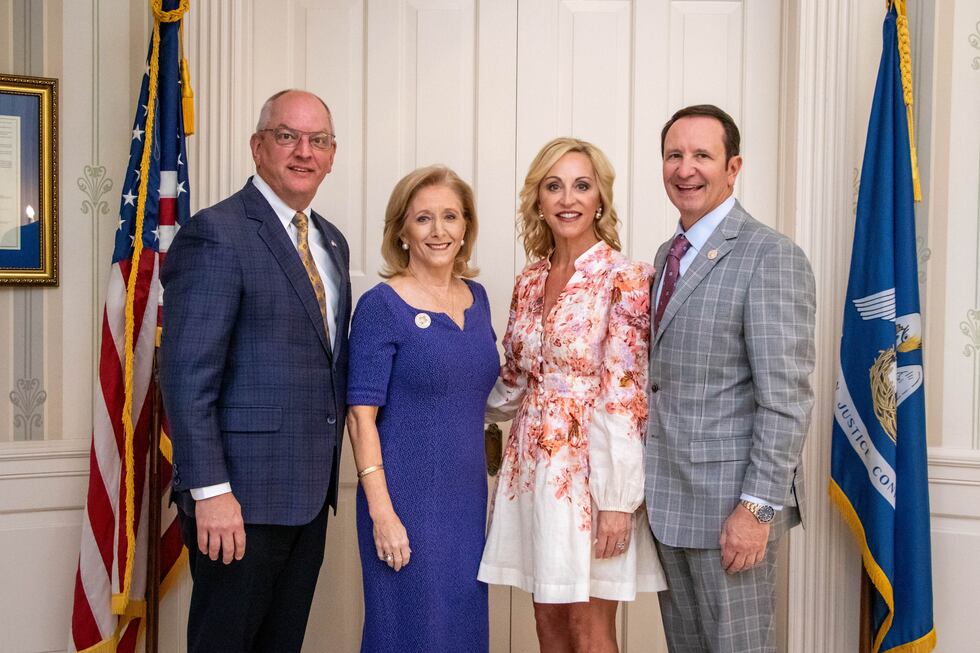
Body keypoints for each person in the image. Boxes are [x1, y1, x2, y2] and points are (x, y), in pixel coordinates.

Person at [159, 89, 351, 653]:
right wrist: (211, 491)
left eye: (318, 140)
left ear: (332, 154)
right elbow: (187, 378)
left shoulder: (330, 241)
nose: (303, 152)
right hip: (237, 500)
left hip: (309, 495)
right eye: (287, 136)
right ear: (258, 146)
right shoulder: (216, 233)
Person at [479, 137, 667, 652]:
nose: (568, 199)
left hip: (590, 477)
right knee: (548, 625)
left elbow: (626, 397)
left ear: (600, 198)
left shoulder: (625, 277)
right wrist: (445, 404)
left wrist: (617, 501)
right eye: (553, 186)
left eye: (581, 186)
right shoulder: (530, 279)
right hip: (530, 472)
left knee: (588, 630)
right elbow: (513, 381)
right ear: (537, 199)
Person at [644, 104, 816, 652]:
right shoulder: (665, 256)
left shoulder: (771, 257)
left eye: (702, 155)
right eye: (675, 155)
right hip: (669, 505)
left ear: (733, 166)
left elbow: (786, 400)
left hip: (732, 514)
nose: (685, 168)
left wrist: (757, 509)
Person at [345, 165, 499, 652]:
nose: (439, 231)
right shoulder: (380, 305)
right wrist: (383, 514)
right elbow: (359, 417)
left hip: (468, 504)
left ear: (466, 228)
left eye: (451, 217)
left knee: (462, 632)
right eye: (424, 218)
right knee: (412, 633)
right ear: (402, 231)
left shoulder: (478, 300)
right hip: (404, 502)